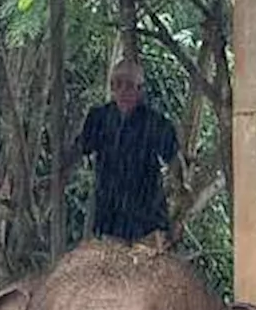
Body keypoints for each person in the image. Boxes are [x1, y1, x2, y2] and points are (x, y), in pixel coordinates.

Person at [68, 58, 179, 242]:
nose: (123, 91)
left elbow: (175, 161)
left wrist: (177, 204)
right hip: (110, 218)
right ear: (111, 87)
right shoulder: (99, 118)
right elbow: (81, 148)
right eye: (117, 84)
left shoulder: (156, 123)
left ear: (140, 89)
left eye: (129, 85)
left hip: (147, 219)